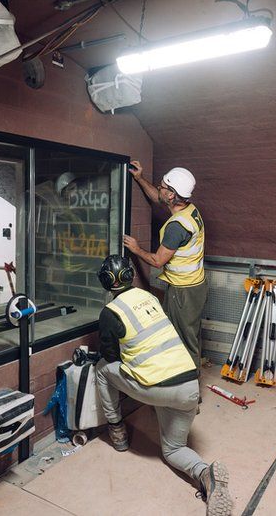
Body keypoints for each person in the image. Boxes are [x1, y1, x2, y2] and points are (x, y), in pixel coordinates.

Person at [94, 255, 232, 516]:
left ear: (105, 282)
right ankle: (206, 476)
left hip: (159, 389)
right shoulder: (150, 298)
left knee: (102, 369)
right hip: (190, 388)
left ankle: (117, 432)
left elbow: (111, 357)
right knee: (174, 450)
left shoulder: (110, 313)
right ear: (131, 275)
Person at [123, 162, 208, 373]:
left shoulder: (177, 227)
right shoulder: (188, 209)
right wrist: (140, 178)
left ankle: (188, 398)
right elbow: (157, 197)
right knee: (188, 335)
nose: (159, 188)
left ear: (172, 195)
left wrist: (136, 249)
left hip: (183, 292)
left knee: (184, 341)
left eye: (162, 186)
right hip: (195, 285)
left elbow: (157, 261)